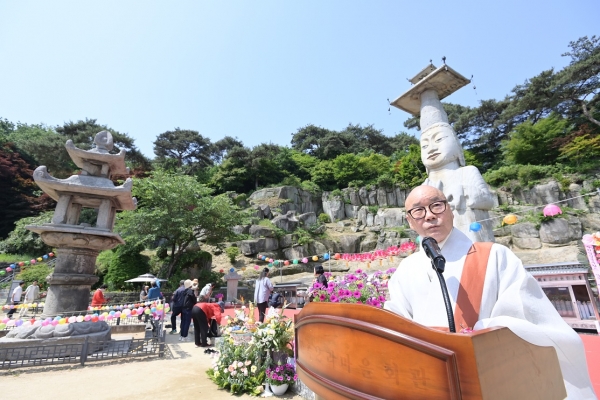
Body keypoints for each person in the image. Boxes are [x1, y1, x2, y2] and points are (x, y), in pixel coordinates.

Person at [384, 185, 596, 399]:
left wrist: (476, 333)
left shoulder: (495, 256)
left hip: (489, 378)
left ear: (450, 210)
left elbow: (530, 318)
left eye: (436, 206)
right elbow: (394, 323)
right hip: (426, 380)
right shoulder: (405, 270)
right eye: (418, 211)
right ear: (410, 221)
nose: (429, 215)